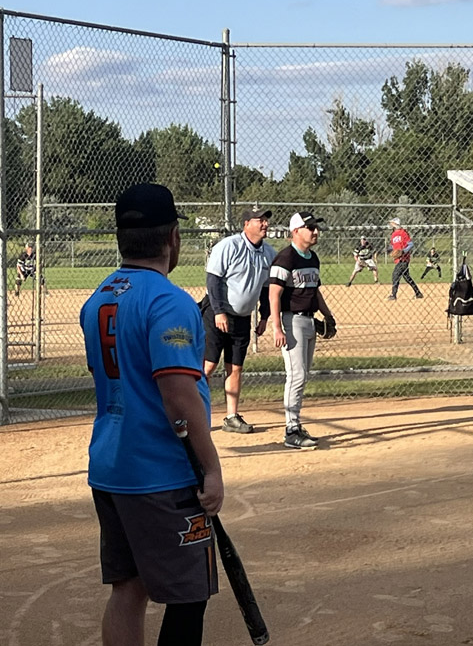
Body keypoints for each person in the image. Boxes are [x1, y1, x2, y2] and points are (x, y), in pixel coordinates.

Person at [80, 183, 223, 646]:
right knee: (188, 596)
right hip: (161, 474)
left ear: (121, 239)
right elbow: (178, 397)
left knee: (129, 588)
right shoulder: (169, 300)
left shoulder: (98, 298)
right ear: (173, 238)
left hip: (111, 466)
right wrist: (210, 468)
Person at [203, 206, 276, 434]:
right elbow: (213, 281)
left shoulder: (269, 253)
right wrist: (219, 312)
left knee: (235, 368)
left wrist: (264, 316)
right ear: (246, 224)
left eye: (266, 220)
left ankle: (231, 417)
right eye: (260, 220)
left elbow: (266, 288)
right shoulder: (229, 246)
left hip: (242, 318)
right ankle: (198, 415)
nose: (265, 224)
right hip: (216, 313)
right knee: (208, 366)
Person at [269, 212, 336, 449]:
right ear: (296, 231)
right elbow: (274, 294)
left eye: (316, 227)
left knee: (303, 375)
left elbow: (315, 291)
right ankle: (291, 430)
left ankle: (295, 424)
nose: (315, 231)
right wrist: (277, 328)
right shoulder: (285, 258)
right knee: (296, 375)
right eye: (310, 228)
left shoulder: (312, 258)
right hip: (292, 321)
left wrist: (328, 315)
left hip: (309, 321)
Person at [386, 217, 424, 300]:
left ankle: (393, 295)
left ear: (396, 224)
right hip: (398, 259)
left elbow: (410, 244)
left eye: (392, 223)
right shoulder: (393, 234)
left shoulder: (403, 233)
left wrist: (403, 251)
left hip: (403, 259)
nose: (390, 225)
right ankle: (418, 293)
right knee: (407, 277)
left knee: (395, 275)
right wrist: (389, 249)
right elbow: (393, 246)